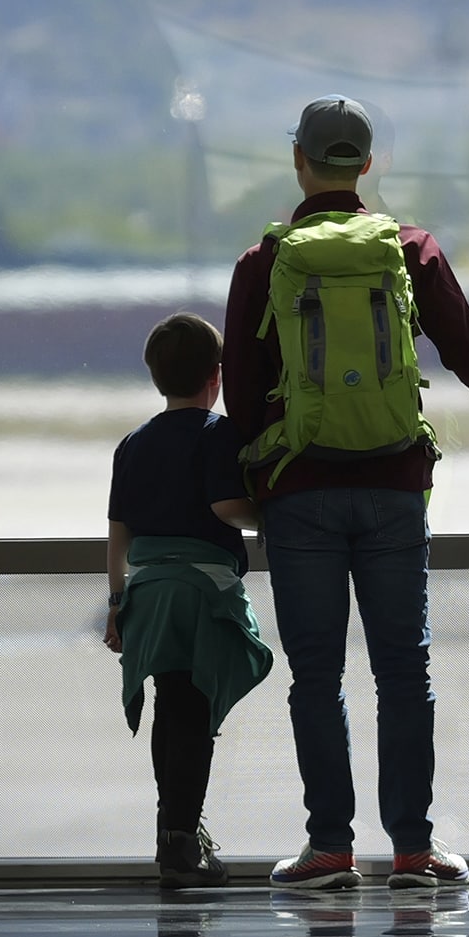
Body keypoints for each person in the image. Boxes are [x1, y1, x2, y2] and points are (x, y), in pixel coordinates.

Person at [223, 94, 469, 891]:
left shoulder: (264, 262)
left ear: (300, 162)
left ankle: (329, 850)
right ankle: (414, 852)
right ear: (368, 165)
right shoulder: (410, 250)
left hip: (300, 490)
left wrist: (261, 482)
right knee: (403, 674)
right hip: (392, 485)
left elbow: (242, 398)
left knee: (316, 676)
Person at [104, 311, 274, 889]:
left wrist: (115, 604)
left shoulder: (132, 443)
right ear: (216, 376)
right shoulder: (218, 434)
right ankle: (181, 842)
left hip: (147, 593)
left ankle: (170, 831)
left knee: (168, 702)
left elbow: (118, 536)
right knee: (194, 711)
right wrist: (267, 518)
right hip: (198, 593)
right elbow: (228, 507)